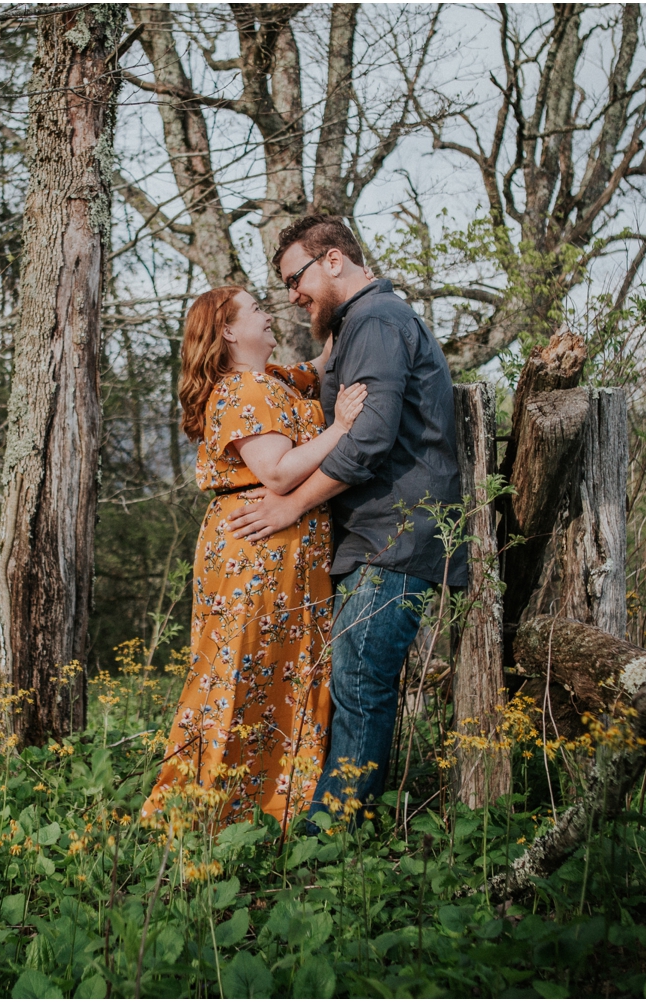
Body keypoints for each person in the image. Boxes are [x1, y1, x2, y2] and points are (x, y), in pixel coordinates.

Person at [226, 216, 467, 819]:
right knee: (349, 680)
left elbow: (370, 439)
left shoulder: (379, 321)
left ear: (333, 261)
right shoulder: (359, 324)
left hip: (397, 535)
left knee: (359, 682)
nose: (290, 295)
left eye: (294, 278)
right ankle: (325, 823)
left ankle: (335, 839)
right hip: (369, 539)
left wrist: (290, 504)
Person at [142, 286, 368, 829]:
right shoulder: (244, 387)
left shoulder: (274, 382)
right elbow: (278, 472)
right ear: (225, 331)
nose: (270, 316)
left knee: (283, 673)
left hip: (284, 549)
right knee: (242, 672)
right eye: (257, 311)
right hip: (258, 549)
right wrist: (340, 427)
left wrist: (346, 301)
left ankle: (266, 812)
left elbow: (321, 361)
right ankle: (198, 813)